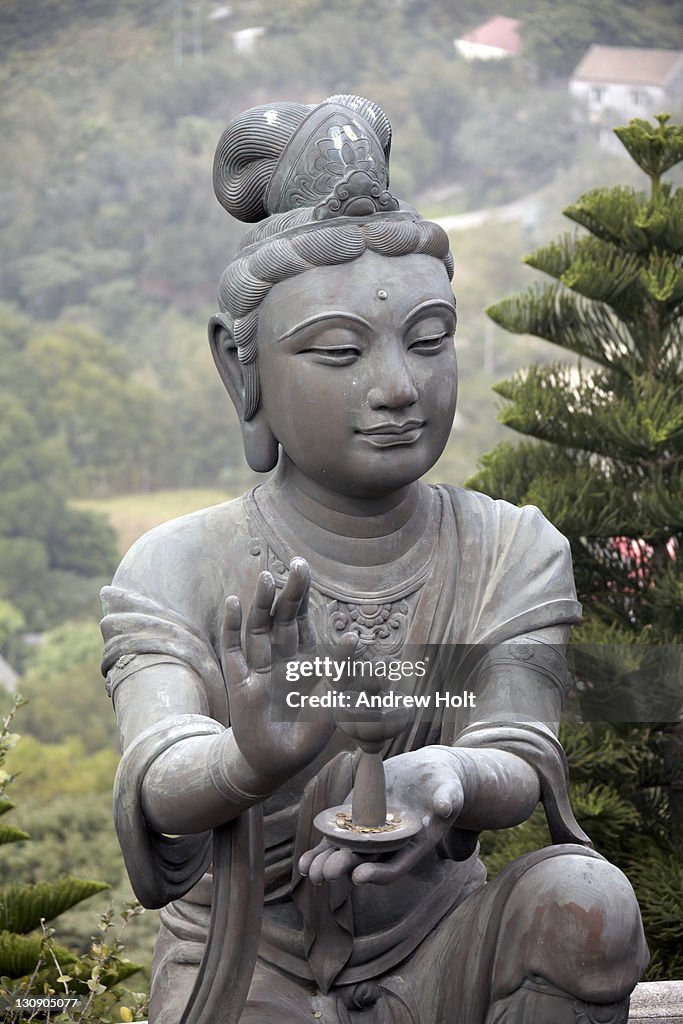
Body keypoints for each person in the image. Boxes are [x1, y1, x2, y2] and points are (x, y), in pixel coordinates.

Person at [101, 95, 648, 1024]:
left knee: (586, 904)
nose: (397, 387)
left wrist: (448, 779)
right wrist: (247, 757)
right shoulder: (177, 565)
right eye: (338, 351)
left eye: (427, 341)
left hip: (442, 950)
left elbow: (518, 746)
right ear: (243, 373)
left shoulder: (510, 547)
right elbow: (160, 769)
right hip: (245, 969)